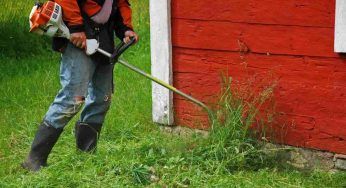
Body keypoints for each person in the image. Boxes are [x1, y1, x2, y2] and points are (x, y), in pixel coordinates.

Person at [22, 0, 138, 171]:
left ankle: (86, 156)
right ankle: (34, 160)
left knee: (101, 99)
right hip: (79, 37)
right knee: (72, 99)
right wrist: (76, 28)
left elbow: (119, 3)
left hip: (104, 41)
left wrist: (125, 29)